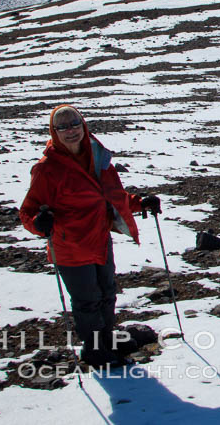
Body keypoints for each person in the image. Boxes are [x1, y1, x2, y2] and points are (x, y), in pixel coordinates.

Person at [20, 105, 161, 368]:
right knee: (87, 301)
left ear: (83, 125)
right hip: (70, 246)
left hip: (99, 240)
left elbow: (113, 196)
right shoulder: (47, 169)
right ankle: (94, 350)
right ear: (54, 131)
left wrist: (140, 203)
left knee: (107, 293)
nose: (70, 131)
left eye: (74, 124)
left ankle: (106, 340)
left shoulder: (97, 157)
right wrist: (40, 223)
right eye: (62, 127)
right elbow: (28, 211)